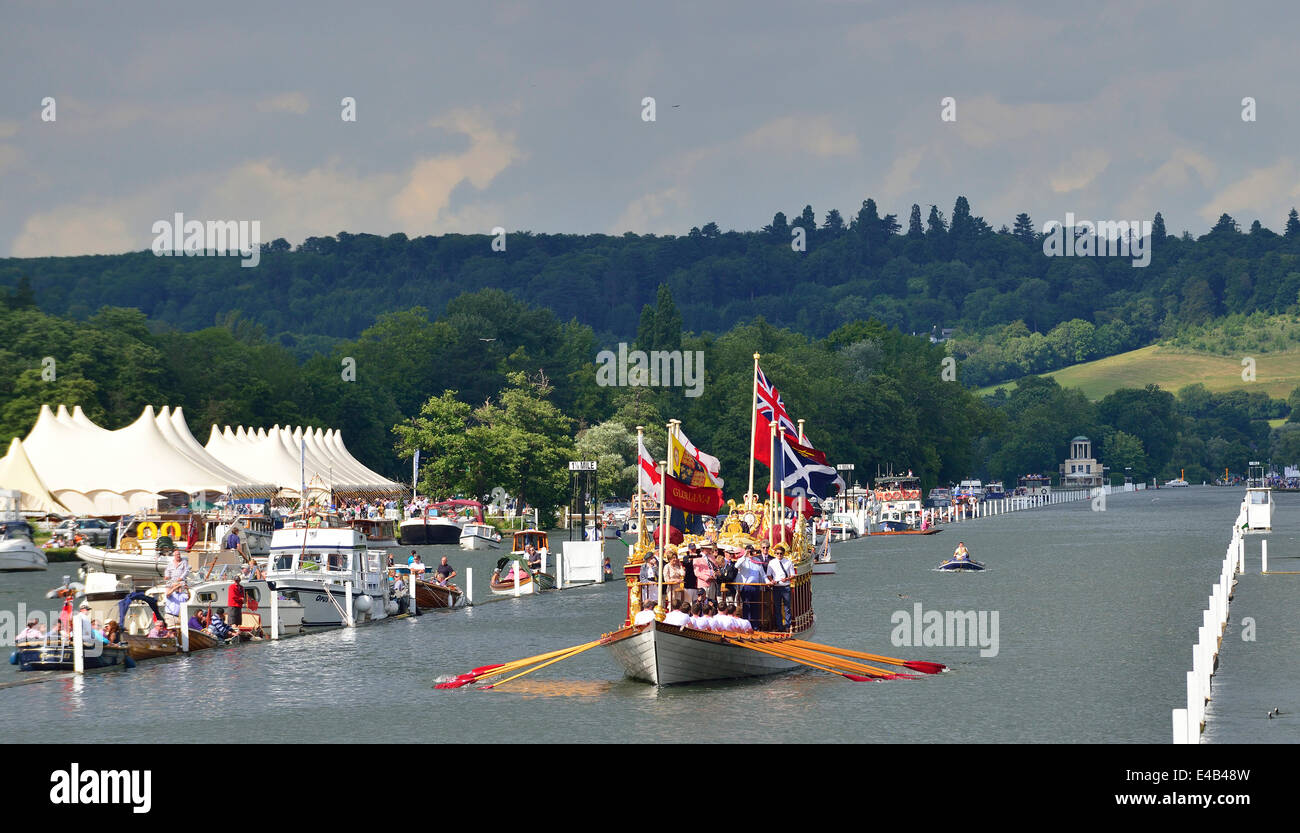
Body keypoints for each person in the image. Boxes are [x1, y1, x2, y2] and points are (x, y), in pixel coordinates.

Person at [734, 545, 768, 624]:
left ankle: (755, 626)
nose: (750, 553)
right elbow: (736, 566)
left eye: (751, 551)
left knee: (755, 607)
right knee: (746, 606)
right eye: (749, 551)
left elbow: (763, 574)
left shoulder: (757, 560)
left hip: (756, 586)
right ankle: (747, 625)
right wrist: (745, 555)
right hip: (746, 586)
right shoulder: (742, 560)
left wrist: (767, 582)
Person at [767, 542, 794, 630]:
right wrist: (772, 581)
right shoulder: (771, 563)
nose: (779, 555)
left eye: (781, 553)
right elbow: (768, 574)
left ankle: (787, 625)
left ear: (783, 554)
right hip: (776, 587)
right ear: (775, 554)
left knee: (787, 607)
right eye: (777, 553)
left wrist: (787, 579)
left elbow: (793, 575)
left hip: (785, 586)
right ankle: (779, 626)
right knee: (777, 607)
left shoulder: (788, 562)